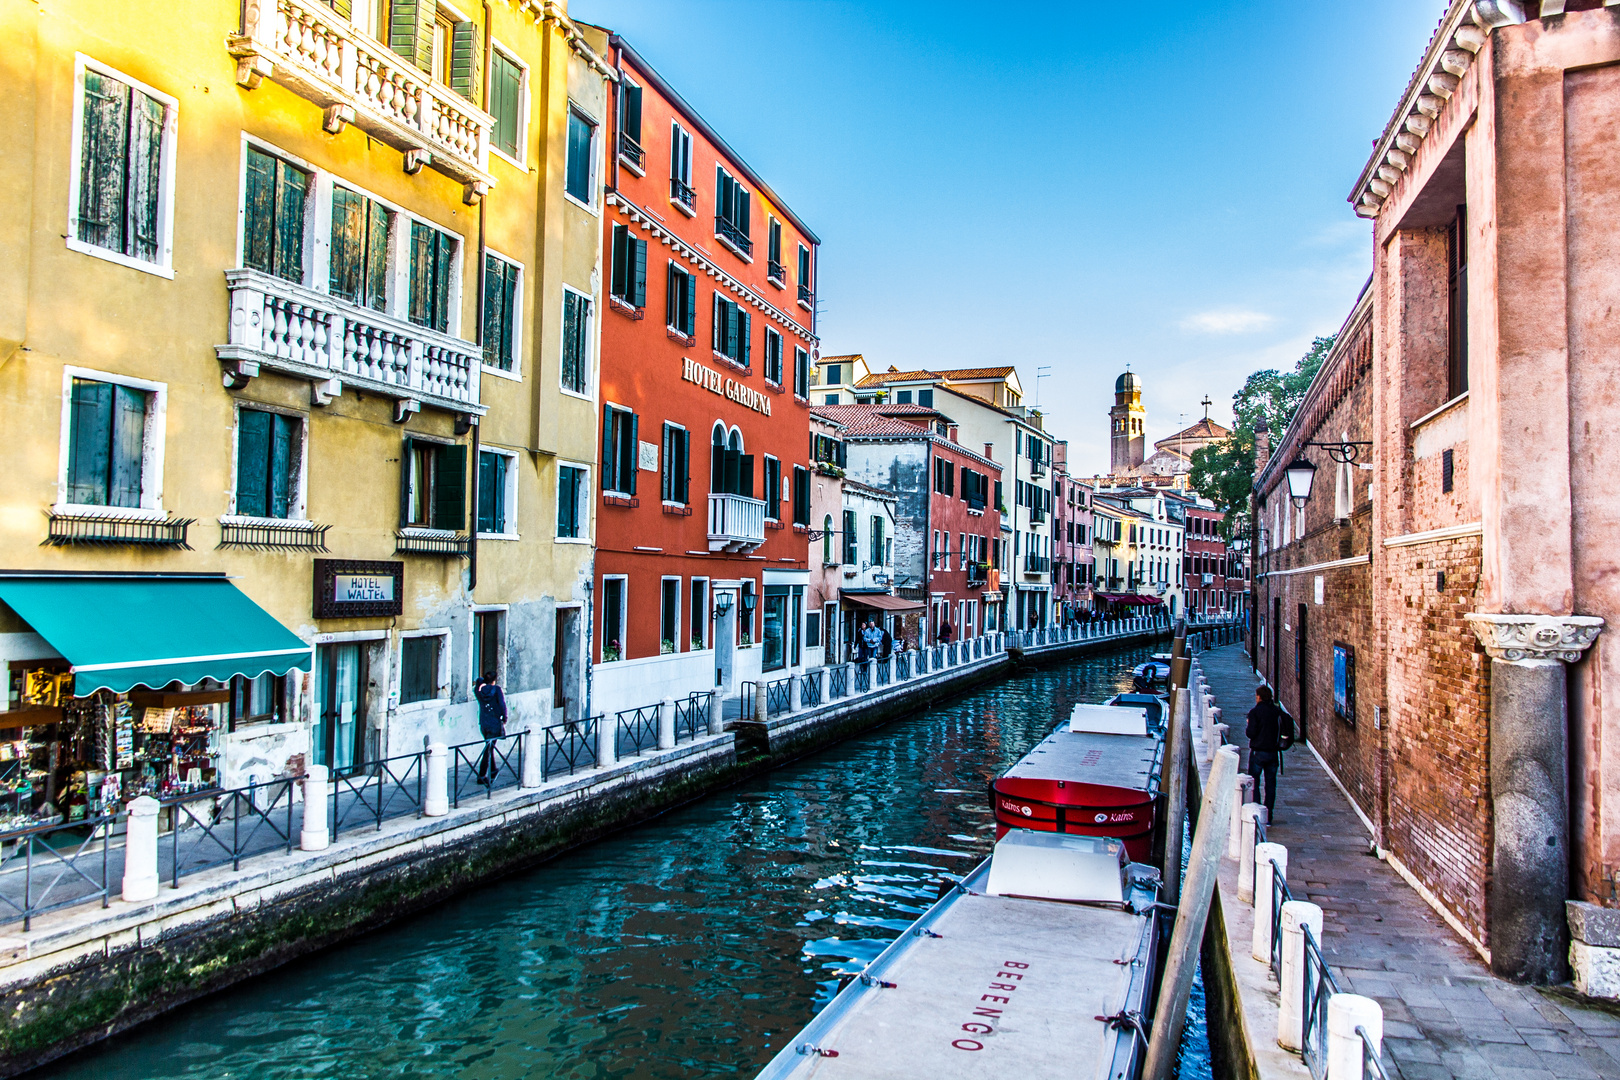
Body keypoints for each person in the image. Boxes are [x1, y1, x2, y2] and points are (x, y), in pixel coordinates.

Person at [1244, 685, 1294, 819]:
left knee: (1254, 782)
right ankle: (1269, 815)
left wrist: (1249, 724)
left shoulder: (1255, 712)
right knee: (1271, 784)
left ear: (1259, 697)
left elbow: (1251, 733)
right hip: (1273, 754)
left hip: (1258, 753)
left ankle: (1257, 812)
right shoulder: (1277, 711)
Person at [474, 671, 508, 786]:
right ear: (494, 680)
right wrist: (504, 717)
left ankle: (493, 770)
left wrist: (482, 681)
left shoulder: (478, 691)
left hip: (483, 722)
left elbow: (478, 681)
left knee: (490, 745)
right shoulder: (497, 690)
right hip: (494, 722)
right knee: (488, 748)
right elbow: (502, 704)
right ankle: (482, 775)